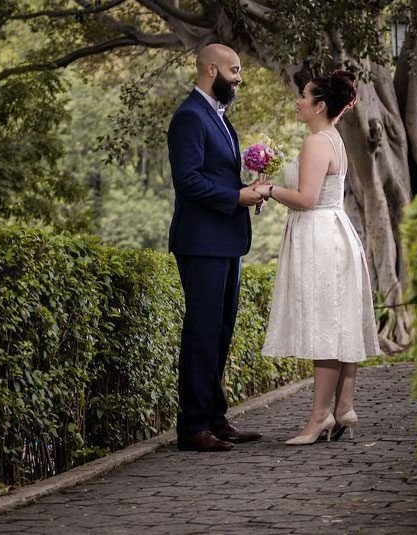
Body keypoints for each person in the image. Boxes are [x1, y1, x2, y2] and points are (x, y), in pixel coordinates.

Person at [254, 70, 381, 445]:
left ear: (320, 105)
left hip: (319, 235)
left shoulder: (316, 143)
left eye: (304, 97)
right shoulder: (334, 139)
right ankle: (344, 406)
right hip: (336, 231)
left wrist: (269, 189)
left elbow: (307, 199)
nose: (298, 102)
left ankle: (319, 417)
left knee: (326, 325)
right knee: (338, 319)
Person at [167, 43, 264, 452]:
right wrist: (237, 197)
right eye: (235, 70)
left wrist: (247, 188)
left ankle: (215, 418)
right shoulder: (189, 116)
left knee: (220, 331)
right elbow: (187, 180)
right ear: (212, 69)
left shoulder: (219, 117)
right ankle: (192, 426)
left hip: (226, 241)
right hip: (202, 242)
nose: (239, 78)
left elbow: (217, 176)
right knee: (202, 332)